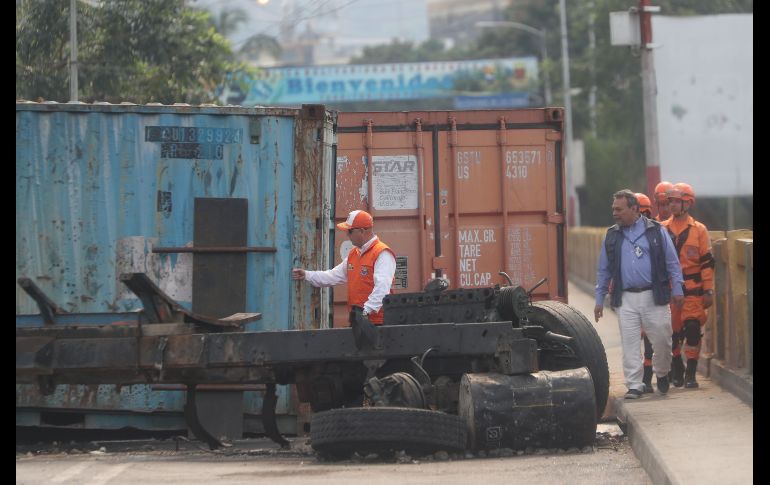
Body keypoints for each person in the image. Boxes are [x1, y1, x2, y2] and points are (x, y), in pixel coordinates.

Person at [594, 190, 684, 399]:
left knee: (663, 339)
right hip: (626, 298)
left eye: (619, 209)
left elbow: (672, 262)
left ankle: (662, 372)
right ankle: (634, 384)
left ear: (634, 209)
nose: (614, 213)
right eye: (613, 209)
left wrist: (678, 288)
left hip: (655, 295)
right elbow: (603, 270)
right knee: (630, 342)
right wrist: (599, 299)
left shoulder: (656, 231)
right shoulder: (612, 235)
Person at [292, 210, 396, 325]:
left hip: (379, 322)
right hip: (360, 320)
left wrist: (365, 311)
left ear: (362, 231)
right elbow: (332, 276)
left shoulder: (382, 253)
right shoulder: (354, 254)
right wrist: (307, 275)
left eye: (350, 231)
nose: (347, 234)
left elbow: (382, 288)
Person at [662, 183, 715, 388]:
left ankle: (691, 373)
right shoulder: (662, 229)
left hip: (693, 289)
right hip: (669, 290)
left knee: (693, 328)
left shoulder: (699, 230)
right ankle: (677, 365)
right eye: (670, 201)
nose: (672, 205)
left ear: (688, 203)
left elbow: (707, 263)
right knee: (671, 333)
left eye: (677, 201)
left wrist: (708, 290)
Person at [635, 192, 655, 392]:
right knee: (633, 340)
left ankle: (648, 379)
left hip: (651, 293)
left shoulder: (657, 233)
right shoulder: (619, 235)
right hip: (630, 295)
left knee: (650, 338)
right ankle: (637, 380)